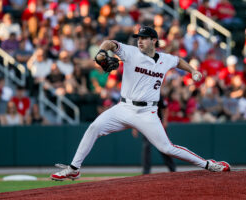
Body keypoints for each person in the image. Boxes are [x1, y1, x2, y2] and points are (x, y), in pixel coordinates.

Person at [51, 26, 231, 181]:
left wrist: (192, 70)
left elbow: (178, 61)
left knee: (166, 148)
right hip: (123, 108)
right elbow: (110, 43)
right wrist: (101, 52)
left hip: (147, 112)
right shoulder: (131, 52)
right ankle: (74, 169)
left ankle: (208, 164)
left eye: (144, 38)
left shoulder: (165, 59)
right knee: (93, 128)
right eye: (138, 38)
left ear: (154, 40)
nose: (140, 41)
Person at [132, 95, 176, 174]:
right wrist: (135, 127)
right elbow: (137, 112)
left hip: (157, 125)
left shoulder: (157, 94)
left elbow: (165, 108)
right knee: (146, 147)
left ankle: (172, 169)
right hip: (146, 125)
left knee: (164, 148)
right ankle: (146, 172)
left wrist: (165, 121)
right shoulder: (142, 96)